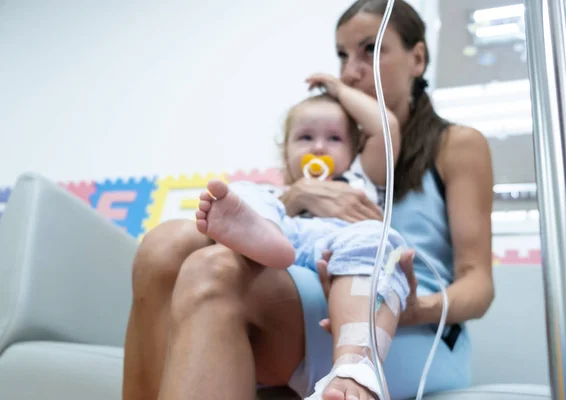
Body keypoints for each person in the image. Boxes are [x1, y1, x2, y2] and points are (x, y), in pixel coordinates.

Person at [121, 0, 495, 399]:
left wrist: (414, 306)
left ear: (417, 58)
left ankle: (357, 367)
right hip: (313, 292)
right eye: (342, 55)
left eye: (370, 50)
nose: (351, 71)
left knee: (212, 270)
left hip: (408, 325)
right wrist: (298, 195)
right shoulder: (336, 147)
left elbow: (479, 283)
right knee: (166, 244)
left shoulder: (456, 144)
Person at [194, 78, 409, 397]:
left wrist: (337, 88)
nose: (319, 147)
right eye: (305, 137)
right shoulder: (280, 196)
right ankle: (260, 234)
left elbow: (386, 127)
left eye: (334, 138)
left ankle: (354, 365)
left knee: (376, 237)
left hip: (341, 247)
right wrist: (271, 210)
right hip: (285, 242)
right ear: (286, 154)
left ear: (353, 152)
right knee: (244, 191)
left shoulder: (360, 179)